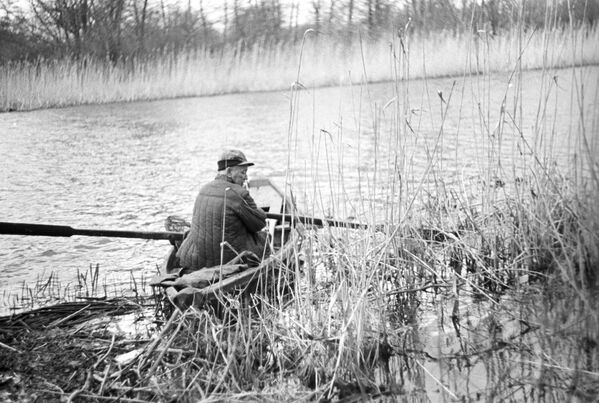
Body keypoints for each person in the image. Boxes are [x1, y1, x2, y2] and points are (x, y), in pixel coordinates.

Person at [176, 149, 269, 271]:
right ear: (229, 172)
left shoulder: (203, 189)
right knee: (265, 238)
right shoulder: (239, 193)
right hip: (229, 261)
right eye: (243, 172)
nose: (246, 177)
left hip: (197, 261)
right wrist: (257, 210)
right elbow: (259, 223)